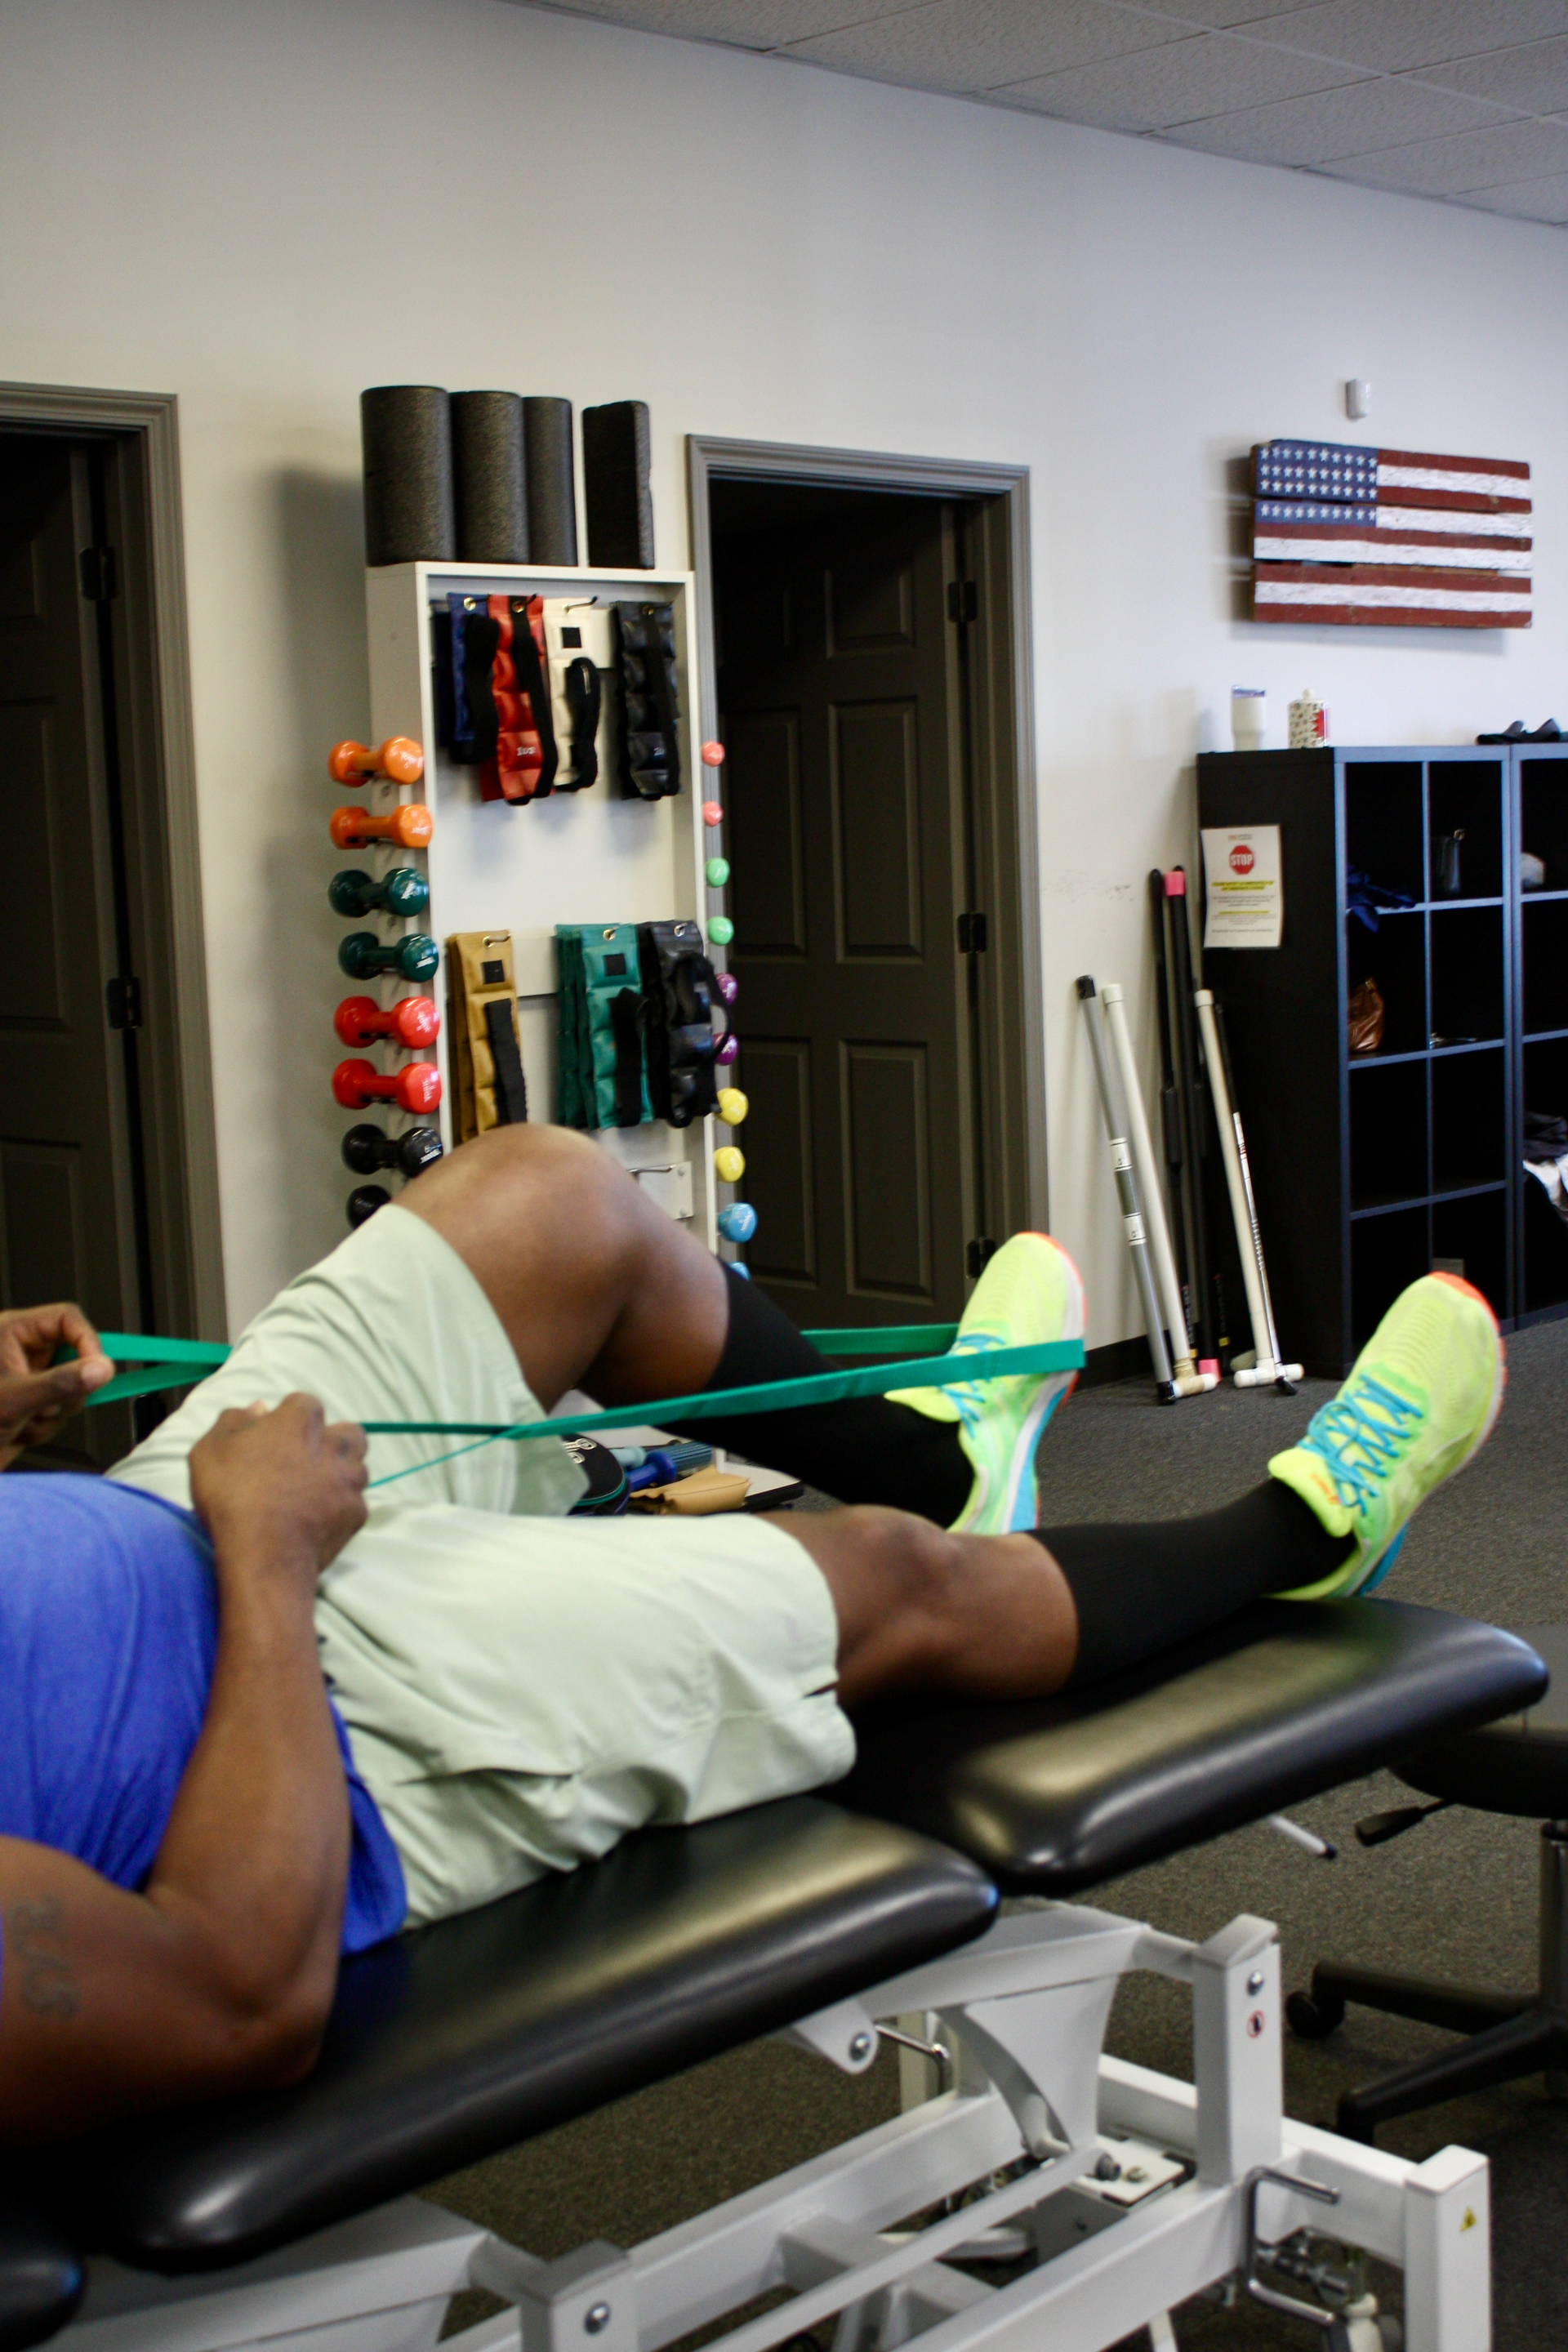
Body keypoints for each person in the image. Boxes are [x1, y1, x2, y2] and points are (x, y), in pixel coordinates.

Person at [0, 1125, 1503, 2144]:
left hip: (172, 1522)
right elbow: (232, 2000)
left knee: (551, 1197)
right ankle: (1307, 1536)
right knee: (885, 1583)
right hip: (299, 1731)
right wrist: (266, 1566)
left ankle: (944, 1455)